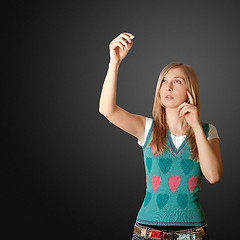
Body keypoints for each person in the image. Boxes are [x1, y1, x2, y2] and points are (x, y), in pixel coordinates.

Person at [99, 32, 223, 240]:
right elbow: (107, 110)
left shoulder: (208, 131)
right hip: (147, 232)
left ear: (189, 90)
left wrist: (195, 124)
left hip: (192, 233)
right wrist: (114, 63)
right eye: (164, 81)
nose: (168, 86)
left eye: (177, 81)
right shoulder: (147, 128)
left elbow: (213, 176)